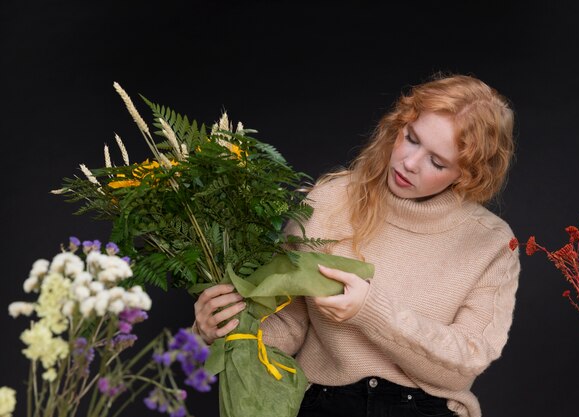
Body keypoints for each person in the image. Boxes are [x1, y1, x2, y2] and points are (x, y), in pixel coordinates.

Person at [193, 74, 520, 417]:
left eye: (437, 162)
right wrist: (219, 328)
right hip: (324, 403)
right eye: (410, 138)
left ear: (468, 174)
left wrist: (370, 311)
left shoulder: (492, 244)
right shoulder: (329, 201)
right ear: (399, 124)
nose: (410, 163)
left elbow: (463, 364)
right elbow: (288, 327)